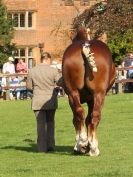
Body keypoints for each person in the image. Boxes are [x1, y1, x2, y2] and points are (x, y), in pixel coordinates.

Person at [26, 52, 61, 152]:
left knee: (40, 124)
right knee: (50, 123)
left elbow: (28, 86)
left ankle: (41, 148)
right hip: (50, 100)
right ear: (48, 59)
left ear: (41, 59)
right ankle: (50, 146)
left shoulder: (32, 71)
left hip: (37, 100)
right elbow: (60, 82)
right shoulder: (53, 71)